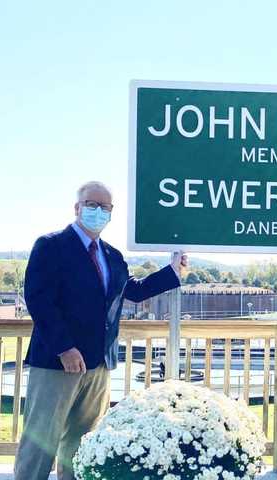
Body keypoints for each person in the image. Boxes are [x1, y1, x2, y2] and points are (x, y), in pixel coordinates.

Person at [14, 181, 187, 480]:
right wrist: (64, 348)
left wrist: (172, 273)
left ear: (111, 213)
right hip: (58, 363)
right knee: (40, 442)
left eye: (104, 207)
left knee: (82, 443)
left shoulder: (113, 255)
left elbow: (131, 291)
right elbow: (39, 299)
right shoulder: (51, 245)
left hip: (99, 364)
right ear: (77, 207)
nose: (97, 211)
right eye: (91, 204)